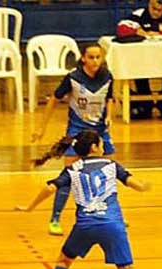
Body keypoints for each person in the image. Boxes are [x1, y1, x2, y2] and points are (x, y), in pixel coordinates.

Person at [16, 130, 151, 269]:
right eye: (101, 143)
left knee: (63, 261)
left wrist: (30, 207)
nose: (103, 145)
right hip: (112, 224)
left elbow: (50, 187)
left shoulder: (72, 169)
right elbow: (132, 183)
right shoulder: (111, 165)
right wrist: (144, 186)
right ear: (94, 147)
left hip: (85, 225)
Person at [32, 42, 115, 236]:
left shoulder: (107, 77)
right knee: (68, 176)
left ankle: (109, 212)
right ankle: (55, 219)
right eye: (91, 57)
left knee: (107, 174)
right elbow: (54, 99)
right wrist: (41, 128)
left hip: (100, 131)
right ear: (83, 58)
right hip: (77, 130)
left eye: (98, 57)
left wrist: (110, 115)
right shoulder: (73, 78)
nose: (95, 61)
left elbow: (110, 98)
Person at [116, 0, 162, 119]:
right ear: (149, 4)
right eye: (154, 9)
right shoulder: (139, 14)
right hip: (143, 57)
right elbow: (122, 28)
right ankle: (146, 103)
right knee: (138, 67)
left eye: (160, 10)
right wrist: (138, 31)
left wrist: (161, 34)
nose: (156, 13)